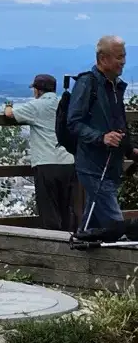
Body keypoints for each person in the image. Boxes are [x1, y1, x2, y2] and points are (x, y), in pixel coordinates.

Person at [67, 36, 135, 231]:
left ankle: (80, 247)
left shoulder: (115, 87)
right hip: (92, 165)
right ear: (103, 59)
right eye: (118, 57)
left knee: (92, 222)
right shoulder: (87, 83)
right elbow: (73, 122)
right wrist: (101, 137)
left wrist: (130, 151)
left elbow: (119, 124)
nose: (123, 61)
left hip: (110, 165)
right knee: (115, 223)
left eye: (124, 56)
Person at [3, 75, 76, 231]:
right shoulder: (65, 104)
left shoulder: (36, 106)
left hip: (46, 162)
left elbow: (10, 114)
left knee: (49, 209)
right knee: (66, 208)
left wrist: (8, 105)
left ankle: (53, 244)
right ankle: (69, 242)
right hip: (68, 161)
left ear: (37, 90)